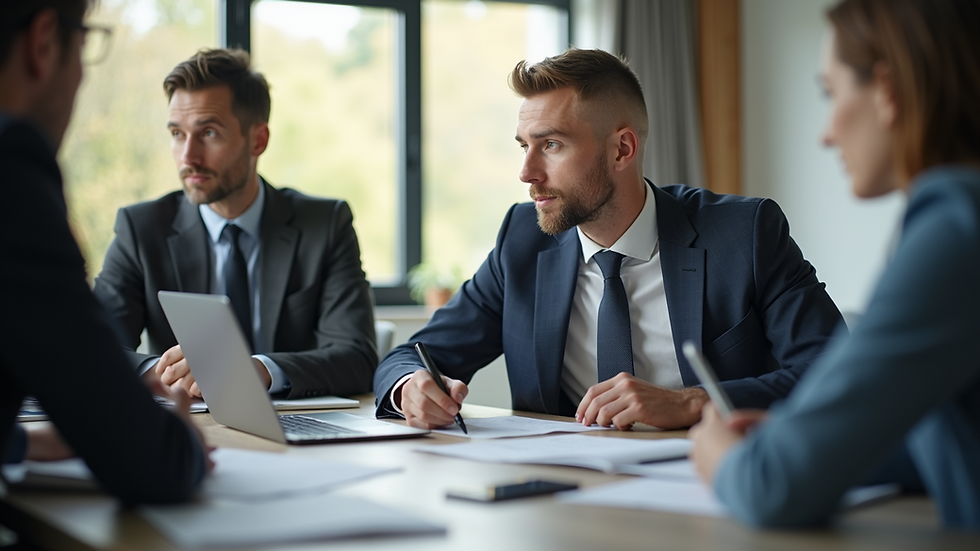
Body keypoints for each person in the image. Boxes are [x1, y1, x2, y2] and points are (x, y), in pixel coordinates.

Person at [374, 48, 844, 430]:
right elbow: (409, 357)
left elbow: (836, 372)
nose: (527, 173)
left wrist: (694, 402)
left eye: (551, 145)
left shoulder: (745, 233)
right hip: (564, 499)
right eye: (524, 146)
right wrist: (410, 388)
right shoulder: (522, 240)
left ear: (622, 149)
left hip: (712, 484)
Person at [689, 0, 980, 530]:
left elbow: (774, 489)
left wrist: (728, 459)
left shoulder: (957, 229)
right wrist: (801, 438)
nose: (825, 133)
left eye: (832, 93)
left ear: (888, 92)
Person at [0, 0, 206, 503]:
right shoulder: (11, 172)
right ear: (44, 41)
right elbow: (154, 464)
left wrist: (25, 442)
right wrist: (178, 433)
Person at [91, 48, 377, 400]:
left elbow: (357, 358)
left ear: (258, 140)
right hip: (189, 428)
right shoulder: (141, 228)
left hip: (293, 427)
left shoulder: (325, 225)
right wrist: (165, 373)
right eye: (177, 134)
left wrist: (257, 370)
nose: (188, 157)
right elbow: (91, 348)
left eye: (208, 133)